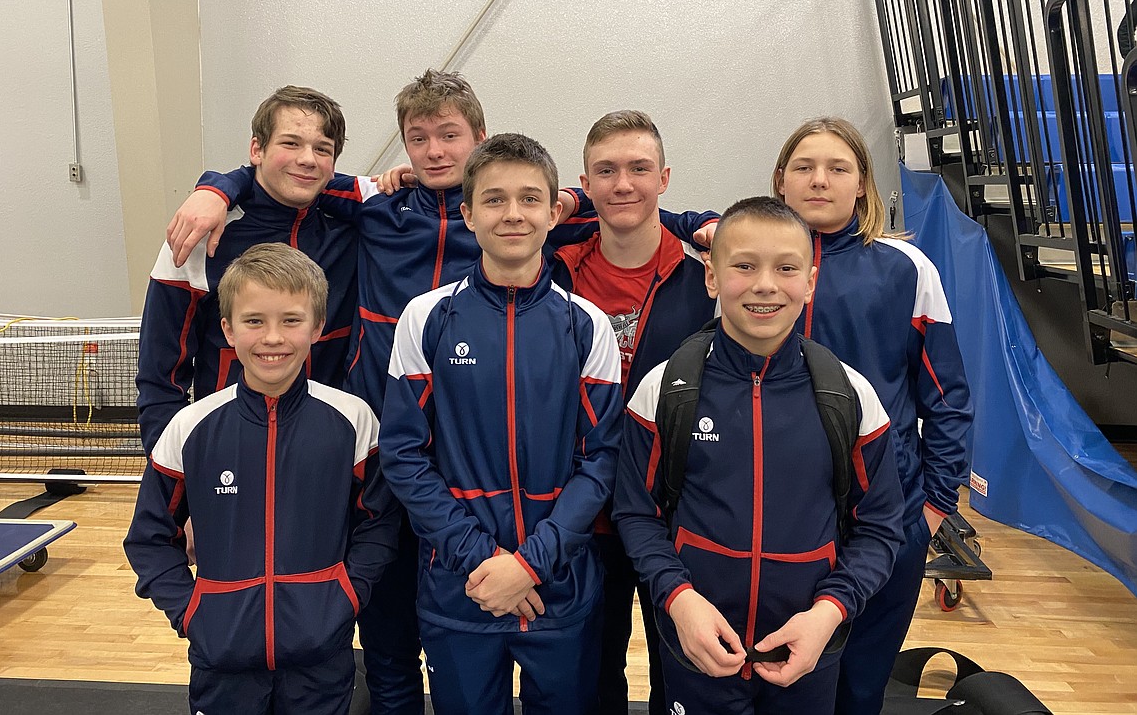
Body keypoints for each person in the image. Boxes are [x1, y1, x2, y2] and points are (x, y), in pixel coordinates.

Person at [165, 71, 717, 715]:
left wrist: (532, 562)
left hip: (554, 556)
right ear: (470, 208)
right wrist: (216, 186)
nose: (433, 151)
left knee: (591, 680)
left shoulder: (575, 308)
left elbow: (621, 202)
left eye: (449, 135)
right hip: (413, 501)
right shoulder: (382, 224)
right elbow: (290, 175)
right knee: (389, 640)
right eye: (418, 138)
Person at [612, 197, 905, 715]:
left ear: (810, 282)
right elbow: (636, 514)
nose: (765, 284)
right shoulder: (665, 389)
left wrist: (829, 613)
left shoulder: (850, 396)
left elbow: (880, 528)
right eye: (744, 265)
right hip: (694, 650)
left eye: (786, 268)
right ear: (712, 276)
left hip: (808, 654)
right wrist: (679, 600)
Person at [380, 133, 623, 715]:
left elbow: (603, 459)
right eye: (493, 200)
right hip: (460, 584)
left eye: (528, 199)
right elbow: (404, 456)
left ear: (553, 211)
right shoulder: (425, 317)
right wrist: (482, 560)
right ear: (467, 213)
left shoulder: (586, 324)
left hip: (557, 585)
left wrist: (530, 564)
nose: (512, 214)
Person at [124, 243, 399, 715]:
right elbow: (149, 540)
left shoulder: (353, 421)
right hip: (221, 662)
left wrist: (347, 596)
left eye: (291, 320)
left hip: (321, 658)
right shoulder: (191, 428)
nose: (273, 338)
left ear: (316, 327)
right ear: (228, 329)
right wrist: (192, 611)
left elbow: (379, 523)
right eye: (254, 321)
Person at [771, 117, 974, 715]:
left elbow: (947, 396)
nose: (819, 180)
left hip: (885, 514)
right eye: (804, 167)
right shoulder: (745, 262)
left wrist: (934, 506)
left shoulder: (907, 269)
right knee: (778, 676)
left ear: (861, 183)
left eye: (838, 168)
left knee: (860, 685)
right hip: (773, 517)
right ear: (780, 180)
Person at [551, 110, 716, 715]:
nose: (623, 184)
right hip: (580, 510)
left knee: (684, 672)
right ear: (584, 184)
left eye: (639, 168)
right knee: (592, 675)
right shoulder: (552, 272)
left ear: (664, 178)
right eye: (607, 171)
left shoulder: (707, 280)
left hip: (674, 510)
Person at [137, 85, 361, 457]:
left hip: (325, 449)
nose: (307, 159)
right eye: (290, 143)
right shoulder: (202, 234)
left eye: (322, 149)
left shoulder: (354, 230)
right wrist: (176, 472)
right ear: (256, 149)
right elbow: (161, 372)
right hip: (229, 449)